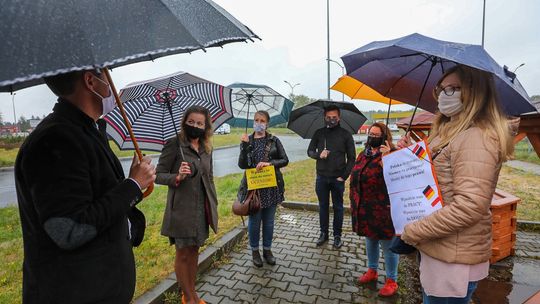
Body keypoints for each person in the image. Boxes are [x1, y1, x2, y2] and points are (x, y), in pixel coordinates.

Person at [15, 69, 156, 303]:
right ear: (90, 81)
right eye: (105, 74)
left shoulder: (86, 130)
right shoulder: (55, 141)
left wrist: (132, 189)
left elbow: (96, 197)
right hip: (74, 292)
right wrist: (133, 184)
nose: (110, 84)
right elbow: (70, 230)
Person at [398, 64, 513, 303]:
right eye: (441, 89)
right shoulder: (449, 130)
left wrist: (413, 231)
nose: (444, 95)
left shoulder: (476, 137)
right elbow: (439, 175)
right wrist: (409, 154)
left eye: (454, 88)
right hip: (440, 247)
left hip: (452, 256)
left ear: (475, 91)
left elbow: (469, 206)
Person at [155, 105, 218, 304]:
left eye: (200, 123)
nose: (195, 126)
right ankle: (189, 298)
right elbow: (158, 175)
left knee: (194, 251)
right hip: (182, 210)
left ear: (206, 126)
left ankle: (191, 292)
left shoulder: (207, 148)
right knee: (183, 253)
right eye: (191, 122)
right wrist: (177, 176)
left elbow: (209, 176)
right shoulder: (175, 144)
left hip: (202, 209)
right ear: (184, 122)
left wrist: (214, 204)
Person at [350, 122, 399, 297]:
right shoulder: (364, 154)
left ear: (385, 137)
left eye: (377, 135)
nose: (373, 137)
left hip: (384, 210)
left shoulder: (392, 154)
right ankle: (372, 271)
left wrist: (388, 160)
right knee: (370, 241)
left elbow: (397, 180)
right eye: (371, 133)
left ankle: (392, 280)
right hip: (365, 208)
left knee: (388, 245)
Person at [238, 110, 289, 267]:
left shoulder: (274, 140)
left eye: (262, 120)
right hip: (254, 189)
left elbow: (285, 160)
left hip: (271, 187)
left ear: (267, 123)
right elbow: (242, 165)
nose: (259, 123)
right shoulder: (248, 140)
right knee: (254, 221)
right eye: (256, 120)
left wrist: (270, 164)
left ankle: (267, 250)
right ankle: (255, 251)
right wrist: (245, 146)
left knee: (268, 222)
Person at [307, 105, 356, 248]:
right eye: (329, 117)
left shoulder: (346, 135)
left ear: (339, 117)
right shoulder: (319, 133)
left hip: (337, 178)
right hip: (321, 177)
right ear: (325, 117)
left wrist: (344, 176)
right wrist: (318, 155)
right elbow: (309, 151)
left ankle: (337, 235)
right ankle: (324, 233)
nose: (331, 120)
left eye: (334, 117)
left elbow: (352, 158)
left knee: (338, 208)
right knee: (323, 207)